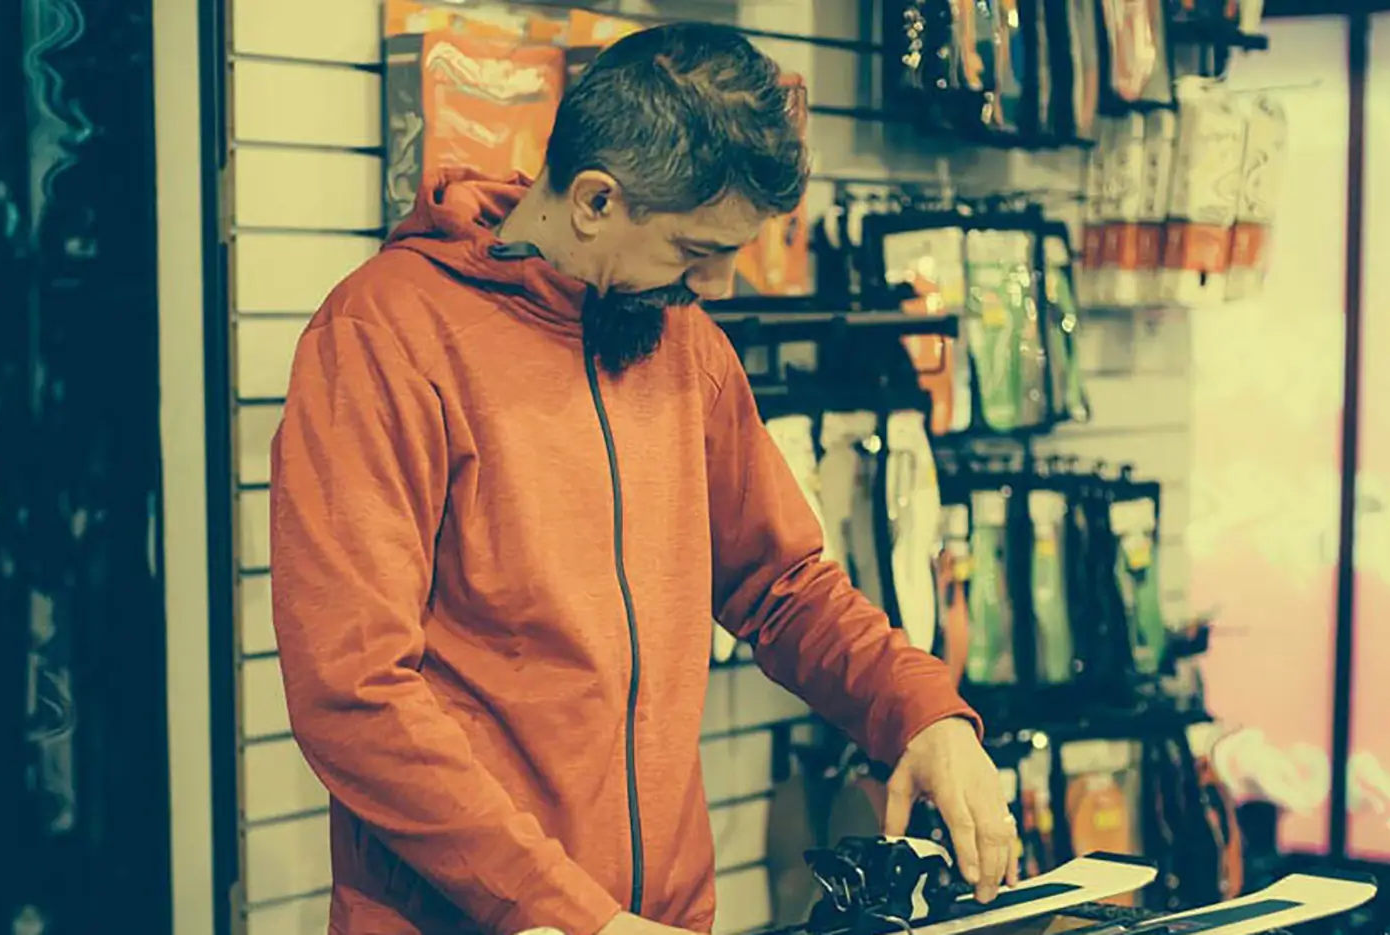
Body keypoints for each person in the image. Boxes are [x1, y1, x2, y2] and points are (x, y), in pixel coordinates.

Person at [269, 21, 1019, 935]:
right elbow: (355, 697)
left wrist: (922, 711)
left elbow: (782, 585)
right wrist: (571, 915)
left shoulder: (681, 343)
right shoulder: (384, 338)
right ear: (594, 200)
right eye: (695, 253)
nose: (720, 286)